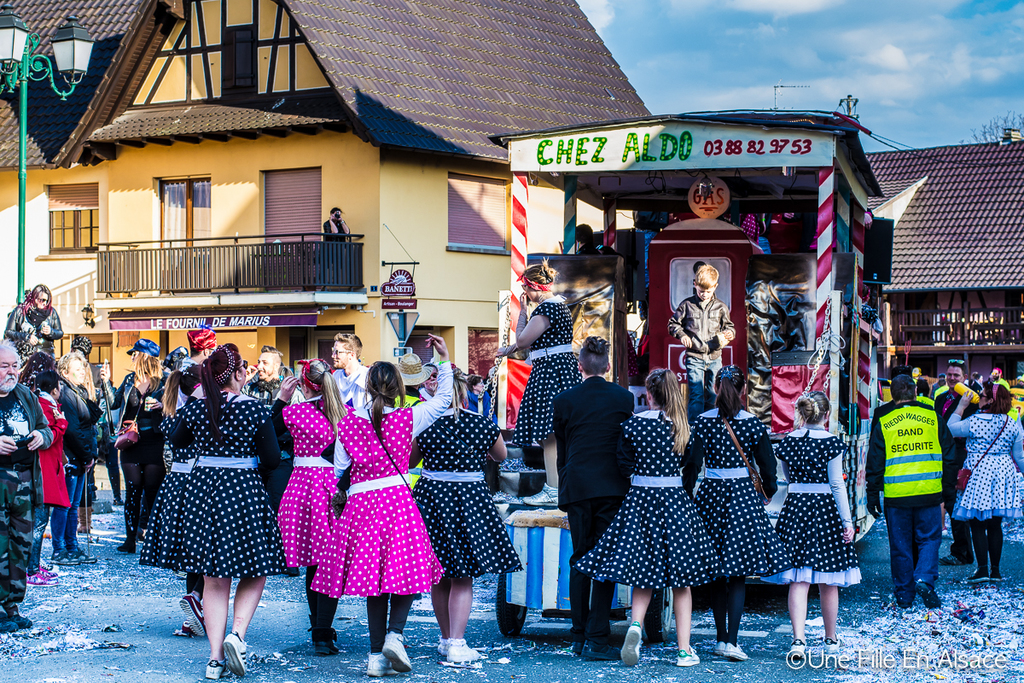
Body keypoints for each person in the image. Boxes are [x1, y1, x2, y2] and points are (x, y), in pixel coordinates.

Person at [311, 334, 452, 678]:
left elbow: (341, 468)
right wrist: (444, 360)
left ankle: (376, 656)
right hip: (397, 502)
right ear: (398, 387)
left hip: (362, 505)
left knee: (374, 580)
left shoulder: (348, 421)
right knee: (406, 573)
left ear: (369, 387)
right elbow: (445, 398)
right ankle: (395, 634)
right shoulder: (409, 417)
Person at [576, 368, 719, 668]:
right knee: (682, 581)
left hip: (640, 500)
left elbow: (623, 462)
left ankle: (636, 627)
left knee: (643, 570)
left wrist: (639, 480)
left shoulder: (632, 425)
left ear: (649, 395)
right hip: (675, 502)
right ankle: (683, 651)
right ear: (674, 395)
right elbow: (691, 468)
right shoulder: (683, 428)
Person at [170, 344, 285, 680]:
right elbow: (273, 459)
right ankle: (237, 635)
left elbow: (176, 440)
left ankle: (215, 659)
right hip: (243, 490)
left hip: (203, 490)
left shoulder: (196, 406)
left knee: (213, 578)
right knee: (255, 568)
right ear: (237, 374)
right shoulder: (254, 409)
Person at [411, 368, 521, 664]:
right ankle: (458, 644)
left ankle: (446, 639)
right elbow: (501, 456)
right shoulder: (482, 423)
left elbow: (411, 460)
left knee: (439, 576)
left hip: (431, 499)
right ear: (463, 394)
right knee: (463, 576)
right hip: (470, 499)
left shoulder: (425, 423)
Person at [690, 365, 789, 661]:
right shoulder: (753, 424)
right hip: (743, 499)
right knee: (737, 574)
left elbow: (692, 465)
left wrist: (686, 494)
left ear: (717, 389)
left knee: (717, 572)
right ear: (743, 390)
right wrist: (769, 492)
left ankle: (721, 639)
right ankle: (731, 641)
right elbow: (768, 467)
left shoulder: (703, 422)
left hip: (710, 497)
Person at [549, 336, 633, 659]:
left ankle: (579, 635)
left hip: (578, 488)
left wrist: (565, 491)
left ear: (580, 366)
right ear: (608, 366)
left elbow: (564, 452)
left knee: (579, 558)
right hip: (612, 488)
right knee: (605, 562)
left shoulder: (564, 401)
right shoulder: (624, 399)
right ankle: (598, 637)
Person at [763, 392, 860, 660]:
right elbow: (837, 485)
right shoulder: (831, 443)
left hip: (796, 509)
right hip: (824, 510)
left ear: (803, 414)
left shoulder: (788, 442)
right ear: (827, 416)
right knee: (829, 579)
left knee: (799, 577)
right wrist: (848, 521)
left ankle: (798, 640)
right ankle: (830, 639)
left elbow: (786, 476)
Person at [274, 359, 347, 655]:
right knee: (329, 562)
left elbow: (269, 430)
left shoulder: (294, 412)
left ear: (304, 385)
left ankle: (319, 629)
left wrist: (280, 398)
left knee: (313, 562)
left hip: (302, 488)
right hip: (332, 487)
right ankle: (322, 631)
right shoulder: (345, 414)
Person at [497, 260, 582, 506]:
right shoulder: (558, 307)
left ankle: (554, 490)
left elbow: (523, 340)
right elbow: (531, 342)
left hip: (550, 373)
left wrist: (522, 312)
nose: (525, 294)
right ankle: (557, 487)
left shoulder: (547, 309)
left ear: (535, 287)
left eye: (526, 288)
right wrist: (510, 348)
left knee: (549, 435)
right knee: (553, 435)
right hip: (557, 370)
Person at [867, 375, 954, 609]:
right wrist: (948, 492)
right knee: (929, 540)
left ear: (892, 395)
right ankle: (925, 578)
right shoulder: (932, 418)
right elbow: (949, 456)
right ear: (915, 392)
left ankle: (905, 596)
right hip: (929, 492)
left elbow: (875, 462)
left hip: (897, 496)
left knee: (900, 545)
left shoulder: (885, 421)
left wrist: (872, 494)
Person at [141, 366, 207, 636]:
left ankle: (194, 606)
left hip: (176, 484)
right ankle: (197, 600)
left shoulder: (169, 416)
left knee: (191, 551)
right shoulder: (197, 413)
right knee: (205, 547)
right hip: (199, 480)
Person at [947, 383, 1024, 584]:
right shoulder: (1011, 422)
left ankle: (982, 569)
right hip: (1003, 473)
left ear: (990, 400)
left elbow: (950, 428)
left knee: (977, 522)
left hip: (979, 472)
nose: (978, 398)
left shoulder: (975, 420)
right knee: (995, 524)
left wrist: (961, 407)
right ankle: (996, 571)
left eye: (981, 396)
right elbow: (1019, 457)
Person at [0, 341, 53, 633]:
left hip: (23, 480)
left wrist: (40, 436)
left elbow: (47, 428)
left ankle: (12, 606)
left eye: (15, 366)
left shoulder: (25, 396)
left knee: (21, 544)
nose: (12, 372)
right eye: (5, 366)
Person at [107, 339, 166, 553]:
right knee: (133, 489)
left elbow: (174, 407)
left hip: (155, 441)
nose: (131, 357)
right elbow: (114, 403)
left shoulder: (164, 380)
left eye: (135, 354)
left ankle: (154, 540)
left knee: (152, 491)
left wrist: (161, 406)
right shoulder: (129, 379)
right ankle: (130, 539)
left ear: (145, 357)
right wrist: (106, 382)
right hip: (131, 441)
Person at [243, 345, 302, 540]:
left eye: (264, 363)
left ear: (277, 367)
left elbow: (296, 425)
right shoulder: (248, 389)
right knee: (252, 507)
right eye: (259, 361)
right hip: (253, 461)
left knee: (279, 505)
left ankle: (284, 555)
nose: (259, 366)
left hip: (282, 459)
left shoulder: (291, 392)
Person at [667, 264, 736, 423]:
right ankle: (694, 427)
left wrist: (729, 333)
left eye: (708, 291)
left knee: (713, 394)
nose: (704, 294)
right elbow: (673, 324)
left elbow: (729, 327)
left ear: (715, 287)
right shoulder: (687, 305)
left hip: (714, 357)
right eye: (701, 291)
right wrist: (682, 335)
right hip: (694, 356)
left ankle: (710, 425)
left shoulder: (721, 307)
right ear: (694, 284)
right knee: (696, 394)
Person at [50, 352, 100, 566]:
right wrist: (87, 455)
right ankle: (59, 549)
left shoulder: (76, 391)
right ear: (64, 372)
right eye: (77, 369)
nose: (82, 372)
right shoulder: (67, 393)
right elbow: (73, 430)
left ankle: (71, 546)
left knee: (73, 504)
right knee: (65, 505)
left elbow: (88, 422)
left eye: (83, 368)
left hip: (80, 457)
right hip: (72, 457)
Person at [934, 359, 979, 567]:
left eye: (956, 376)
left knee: (954, 501)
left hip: (960, 454)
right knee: (947, 498)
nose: (951, 379)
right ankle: (961, 549)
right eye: (949, 375)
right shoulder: (940, 398)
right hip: (941, 454)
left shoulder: (971, 401)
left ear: (965, 378)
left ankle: (962, 551)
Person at [26, 369, 67, 587]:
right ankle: (31, 569)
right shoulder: (44, 406)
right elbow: (49, 436)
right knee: (38, 524)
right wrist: (62, 424)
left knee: (40, 523)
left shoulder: (45, 404)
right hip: (43, 471)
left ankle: (34, 564)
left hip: (48, 468)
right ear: (53, 388)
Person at [4, 285, 63, 361]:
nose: (45, 303)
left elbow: (60, 333)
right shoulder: (20, 311)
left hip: (46, 354)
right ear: (34, 298)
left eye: (47, 301)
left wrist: (50, 332)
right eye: (42, 300)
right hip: (24, 354)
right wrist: (26, 336)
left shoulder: (52, 312)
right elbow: (8, 332)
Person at [331, 334, 369, 409]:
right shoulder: (335, 377)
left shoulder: (367, 377)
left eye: (337, 352)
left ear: (351, 355)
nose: (333, 355)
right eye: (333, 351)